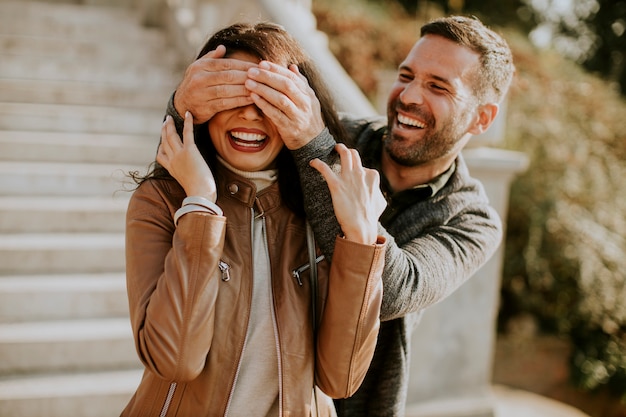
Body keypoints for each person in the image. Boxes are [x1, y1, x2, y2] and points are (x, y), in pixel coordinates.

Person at [164, 15, 515, 416]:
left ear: (482, 118)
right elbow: (198, 163)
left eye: (438, 86)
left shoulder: (473, 220)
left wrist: (312, 145)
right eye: (406, 75)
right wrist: (181, 106)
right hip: (247, 391)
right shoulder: (336, 134)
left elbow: (394, 293)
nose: (409, 96)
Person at [122, 22, 388, 417]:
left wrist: (361, 239)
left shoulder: (321, 211)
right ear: (202, 106)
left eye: (269, 97)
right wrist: (199, 203)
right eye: (231, 95)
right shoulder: (161, 202)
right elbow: (175, 360)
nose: (249, 112)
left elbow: (341, 378)